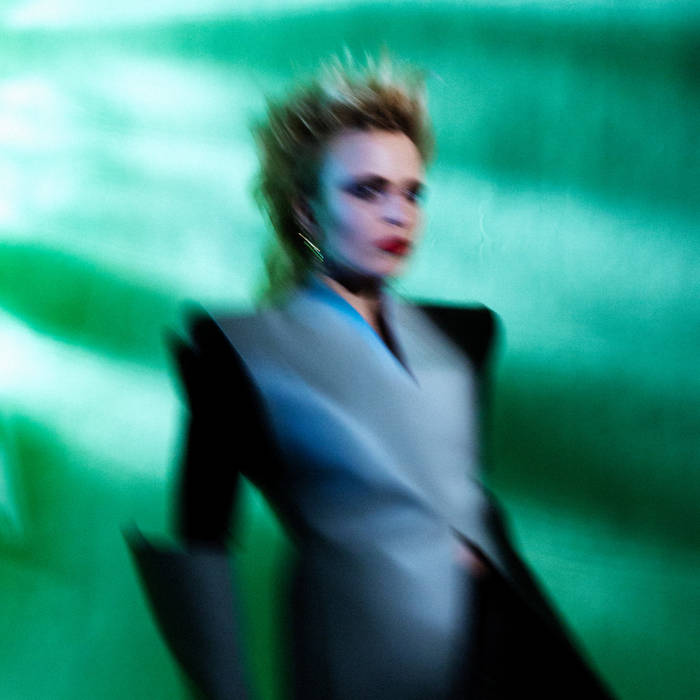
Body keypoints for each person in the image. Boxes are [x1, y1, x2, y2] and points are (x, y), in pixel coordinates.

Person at [128, 54, 615, 699]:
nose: (398, 214)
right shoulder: (236, 351)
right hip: (364, 659)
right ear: (307, 212)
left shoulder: (464, 336)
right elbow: (200, 544)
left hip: (508, 648)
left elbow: (458, 501)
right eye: (367, 190)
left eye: (412, 193)